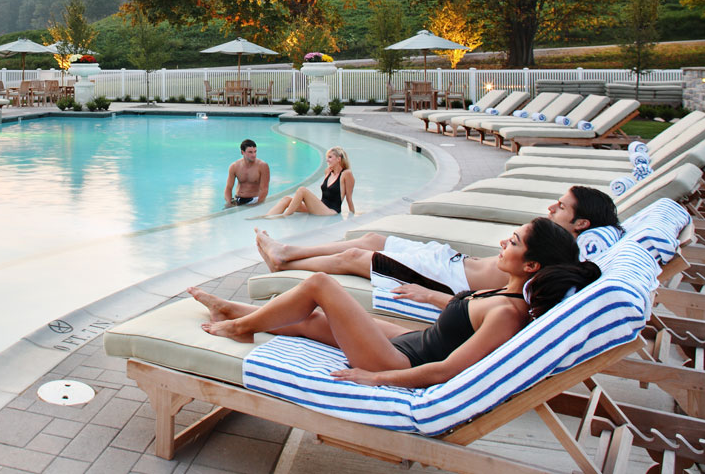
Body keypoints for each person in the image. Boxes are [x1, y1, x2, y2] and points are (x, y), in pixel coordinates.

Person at [193, 217, 600, 387]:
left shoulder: (508, 314)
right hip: (415, 342)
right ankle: (233, 310)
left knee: (321, 284)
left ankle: (240, 327)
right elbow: (460, 318)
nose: (502, 243)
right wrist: (432, 296)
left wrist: (376, 379)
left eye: (512, 243)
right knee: (317, 320)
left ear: (531, 264)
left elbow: (445, 371)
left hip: (399, 363)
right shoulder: (509, 294)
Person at [255, 185, 619, 309]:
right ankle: (286, 251)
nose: (552, 207)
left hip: (445, 278)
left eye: (562, 207)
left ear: (582, 224)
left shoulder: (559, 259)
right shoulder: (556, 242)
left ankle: (284, 262)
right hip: (450, 259)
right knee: (368, 239)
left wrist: (433, 297)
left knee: (355, 257)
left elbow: (507, 297)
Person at [259, 146, 355, 218]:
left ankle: (284, 216)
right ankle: (265, 218)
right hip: (320, 207)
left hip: (331, 211)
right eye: (327, 157)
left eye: (330, 157)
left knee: (302, 190)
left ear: (338, 159)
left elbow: (349, 198)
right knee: (286, 199)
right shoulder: (328, 172)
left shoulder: (346, 174)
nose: (327, 160)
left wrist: (353, 216)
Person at [224, 139, 270, 207]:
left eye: (255, 152)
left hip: (254, 199)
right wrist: (229, 202)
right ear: (243, 152)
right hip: (238, 199)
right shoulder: (234, 166)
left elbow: (264, 189)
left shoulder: (262, 166)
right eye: (250, 152)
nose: (254, 155)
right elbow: (228, 188)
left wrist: (257, 204)